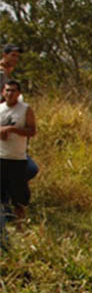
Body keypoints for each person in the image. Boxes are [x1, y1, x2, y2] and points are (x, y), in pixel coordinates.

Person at [0, 44, 38, 182]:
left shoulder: (7, 74)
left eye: (17, 56)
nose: (16, 59)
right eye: (13, 55)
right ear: (4, 55)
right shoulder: (1, 75)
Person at [0, 80, 37, 222]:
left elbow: (32, 131)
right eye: (7, 90)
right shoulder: (0, 108)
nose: (10, 93)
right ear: (3, 92)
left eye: (13, 91)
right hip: (1, 157)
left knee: (19, 198)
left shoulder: (25, 109)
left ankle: (20, 225)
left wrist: (12, 129)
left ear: (19, 93)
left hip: (17, 159)